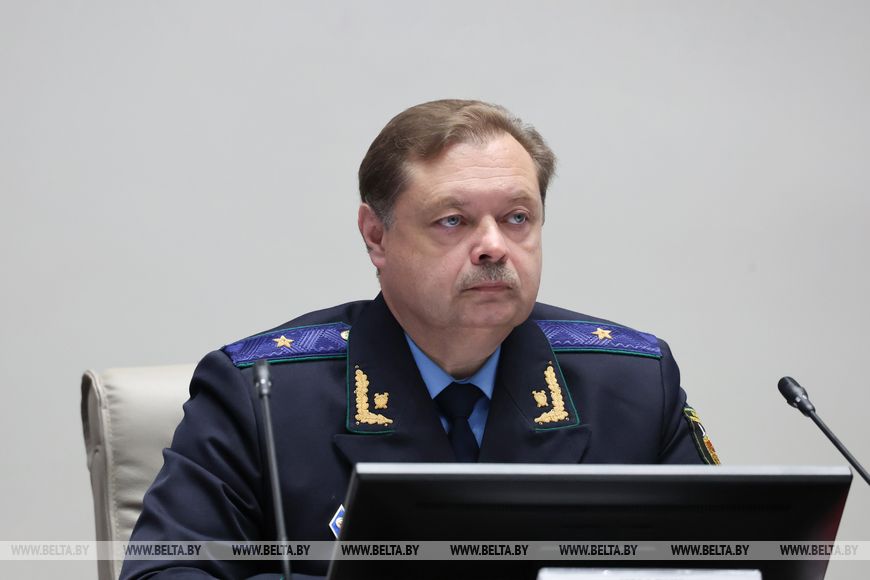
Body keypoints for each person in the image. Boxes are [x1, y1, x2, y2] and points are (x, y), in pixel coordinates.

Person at [121, 99, 718, 580]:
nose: (493, 246)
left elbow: (727, 563)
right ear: (376, 236)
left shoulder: (633, 382)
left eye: (517, 218)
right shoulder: (260, 394)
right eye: (453, 221)